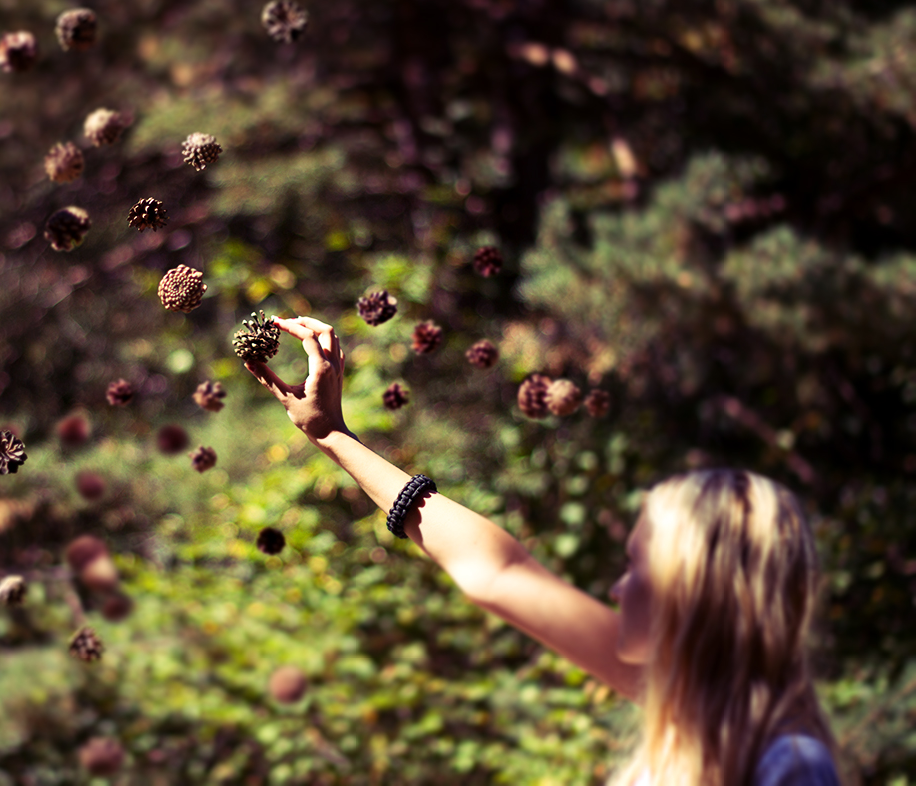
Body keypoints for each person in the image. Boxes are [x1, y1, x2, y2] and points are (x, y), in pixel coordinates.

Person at [247, 315, 840, 786]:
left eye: (640, 567)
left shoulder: (785, 762)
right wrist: (331, 436)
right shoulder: (695, 713)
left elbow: (499, 573)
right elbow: (495, 573)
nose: (617, 587)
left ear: (699, 587)